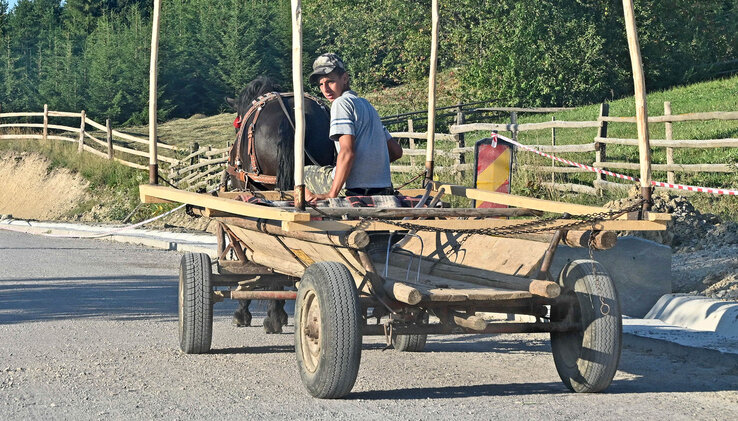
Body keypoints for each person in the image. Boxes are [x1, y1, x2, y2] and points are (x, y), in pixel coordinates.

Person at [304, 53, 402, 202]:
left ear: (344, 78)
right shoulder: (367, 106)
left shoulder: (341, 104)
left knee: (302, 173)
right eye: (321, 84)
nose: (325, 89)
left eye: (330, 82)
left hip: (358, 189)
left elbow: (347, 152)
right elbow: (396, 151)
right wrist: (368, 167)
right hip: (384, 188)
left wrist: (332, 194)